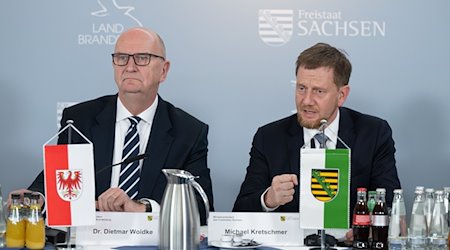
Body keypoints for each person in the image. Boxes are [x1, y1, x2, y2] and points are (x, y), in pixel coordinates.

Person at [11, 27, 214, 225]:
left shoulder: (189, 132)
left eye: (142, 58)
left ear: (164, 70)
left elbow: (201, 208)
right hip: (91, 239)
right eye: (121, 58)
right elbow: (56, 178)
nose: (130, 67)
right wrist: (37, 197)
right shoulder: (80, 119)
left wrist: (142, 208)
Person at [233, 43, 401, 220]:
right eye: (301, 88)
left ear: (341, 95)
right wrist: (268, 199)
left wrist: (363, 230)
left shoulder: (373, 134)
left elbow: (390, 206)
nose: (306, 101)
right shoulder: (269, 137)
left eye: (319, 91)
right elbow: (239, 213)